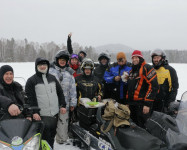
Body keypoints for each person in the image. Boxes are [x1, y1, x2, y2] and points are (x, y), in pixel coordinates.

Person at [25, 58, 66, 148]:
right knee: (43, 137)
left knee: (52, 135)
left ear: (47, 66)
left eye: (44, 65)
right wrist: (35, 111)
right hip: (41, 115)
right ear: (36, 67)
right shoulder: (31, 80)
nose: (43, 67)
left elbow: (60, 92)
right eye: (40, 65)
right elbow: (30, 98)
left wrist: (63, 105)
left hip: (54, 113)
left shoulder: (52, 78)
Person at [49, 50, 77, 144]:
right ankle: (49, 140)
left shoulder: (69, 74)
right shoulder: (50, 71)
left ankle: (62, 141)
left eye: (64, 60)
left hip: (64, 104)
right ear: (57, 60)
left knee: (63, 123)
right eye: (61, 60)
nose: (62, 62)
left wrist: (73, 103)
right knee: (50, 124)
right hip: (51, 103)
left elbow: (73, 90)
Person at [126, 50, 159, 128]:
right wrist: (127, 102)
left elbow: (154, 86)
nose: (134, 59)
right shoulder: (132, 71)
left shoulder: (147, 68)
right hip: (132, 105)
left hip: (142, 104)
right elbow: (129, 88)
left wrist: (147, 104)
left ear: (140, 58)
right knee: (133, 126)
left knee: (143, 127)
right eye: (133, 58)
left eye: (136, 57)